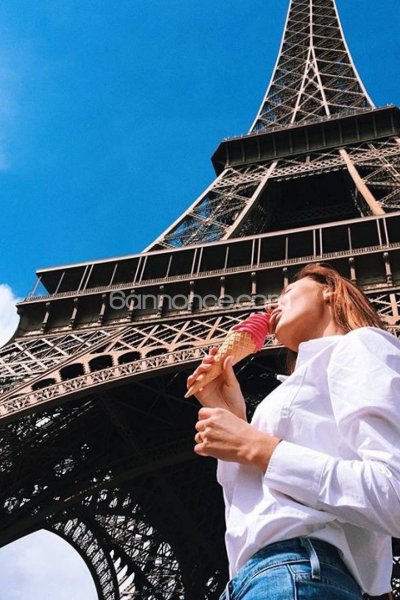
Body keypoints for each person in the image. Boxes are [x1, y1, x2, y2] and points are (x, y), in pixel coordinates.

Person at [187, 263, 400, 600]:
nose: (274, 304)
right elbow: (262, 510)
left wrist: (258, 447)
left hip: (298, 573)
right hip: (255, 579)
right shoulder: (294, 386)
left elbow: (394, 493)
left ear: (329, 289)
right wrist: (231, 416)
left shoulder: (361, 345)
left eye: (287, 291)